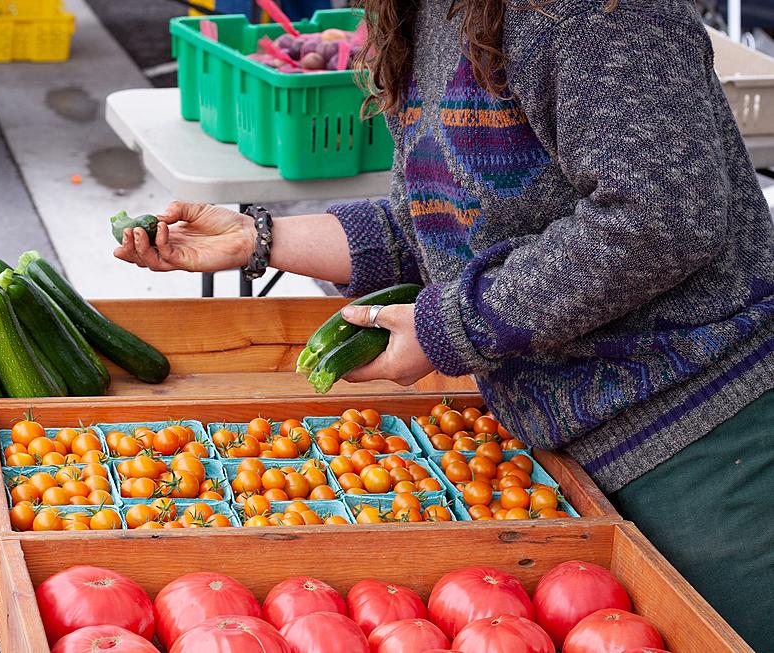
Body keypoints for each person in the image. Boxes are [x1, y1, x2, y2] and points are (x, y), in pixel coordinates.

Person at [116, 0, 774, 646]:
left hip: (708, 446)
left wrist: (450, 328)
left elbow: (661, 217)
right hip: (565, 463)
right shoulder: (419, 14)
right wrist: (258, 237)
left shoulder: (595, 11)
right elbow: (435, 230)